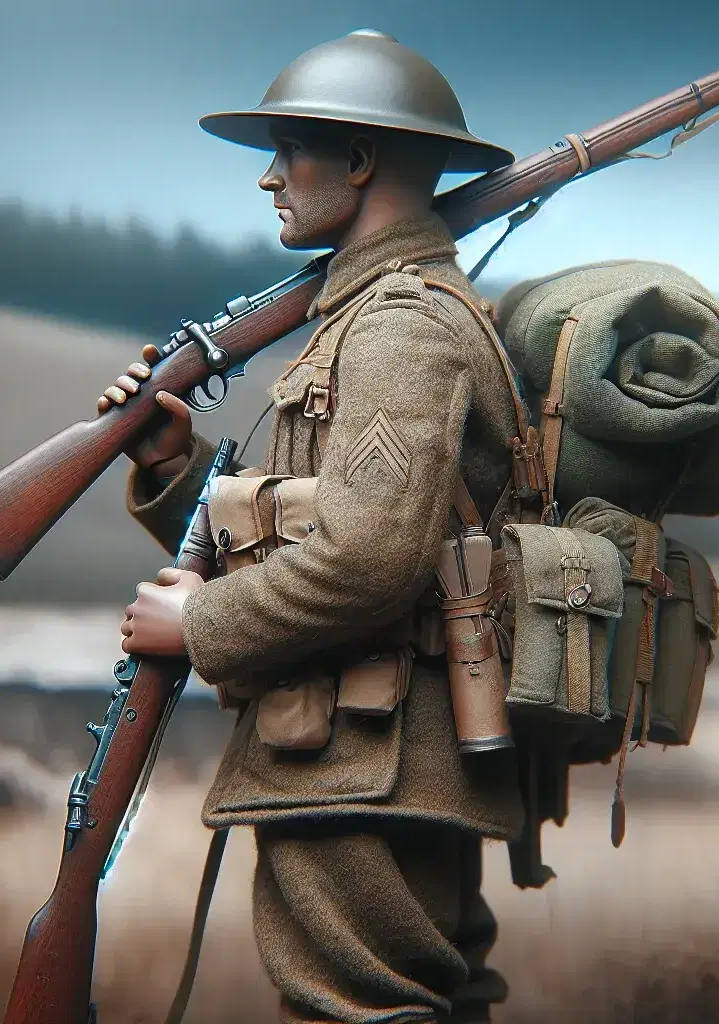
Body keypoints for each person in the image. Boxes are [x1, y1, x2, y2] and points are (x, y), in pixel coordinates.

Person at [104, 29, 526, 1024]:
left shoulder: (397, 324)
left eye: (289, 149)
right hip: (364, 753)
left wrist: (198, 627)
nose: (269, 178)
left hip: (362, 759)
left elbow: (367, 557)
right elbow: (307, 519)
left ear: (361, 160)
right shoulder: (371, 314)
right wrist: (173, 469)